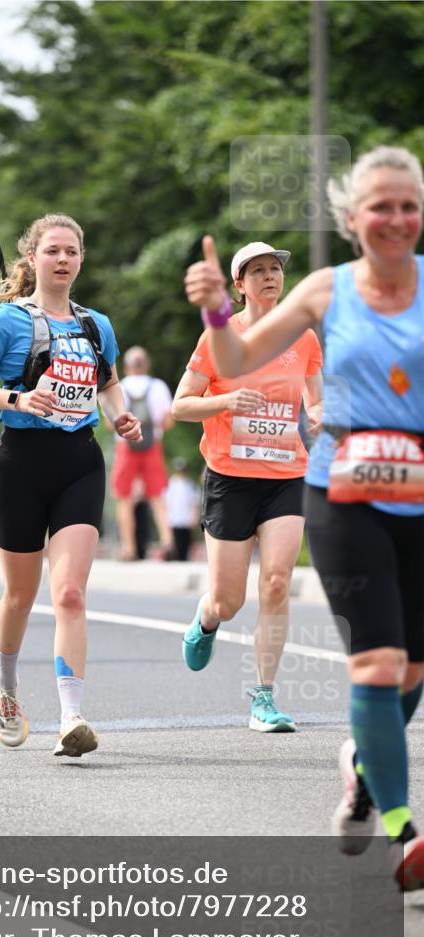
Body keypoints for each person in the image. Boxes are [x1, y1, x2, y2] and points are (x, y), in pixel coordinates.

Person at [184, 146, 424, 890]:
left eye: (407, 205)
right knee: (374, 662)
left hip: (416, 493)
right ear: (352, 219)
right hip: (337, 492)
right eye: (378, 206)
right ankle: (400, 829)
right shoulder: (324, 293)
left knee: (412, 670)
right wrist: (214, 311)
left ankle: (358, 766)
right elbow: (235, 350)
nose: (393, 218)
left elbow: (315, 390)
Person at [0, 213, 141, 758]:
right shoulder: (7, 322)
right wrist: (18, 398)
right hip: (19, 465)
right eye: (53, 251)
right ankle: (6, 686)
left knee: (70, 593)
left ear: (81, 260)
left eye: (72, 252)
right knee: (20, 594)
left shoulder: (95, 324)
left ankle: (71, 716)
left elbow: (108, 384)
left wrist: (121, 417)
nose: (63, 260)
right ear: (32, 258)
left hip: (80, 462)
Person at [173, 241, 323, 732]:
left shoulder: (302, 337)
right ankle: (208, 618)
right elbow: (180, 405)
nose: (269, 277)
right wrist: (228, 401)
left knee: (278, 581)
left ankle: (263, 697)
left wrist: (322, 418)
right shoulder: (220, 338)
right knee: (229, 599)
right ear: (239, 286)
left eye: (275, 269)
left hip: (286, 477)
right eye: (257, 270)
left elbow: (315, 400)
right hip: (230, 479)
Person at [110, 346, 174, 560]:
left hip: (125, 446)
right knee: (157, 496)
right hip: (151, 444)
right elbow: (167, 421)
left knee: (124, 497)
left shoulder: (118, 387)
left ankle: (128, 547)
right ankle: (167, 542)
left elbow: (111, 425)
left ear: (126, 367)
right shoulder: (158, 387)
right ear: (147, 365)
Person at [164, 457, 201, 562]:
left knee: (185, 544)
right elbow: (165, 503)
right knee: (174, 544)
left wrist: (195, 517)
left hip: (186, 520)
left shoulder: (190, 485)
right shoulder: (170, 484)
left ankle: (183, 560)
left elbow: (195, 503)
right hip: (173, 519)